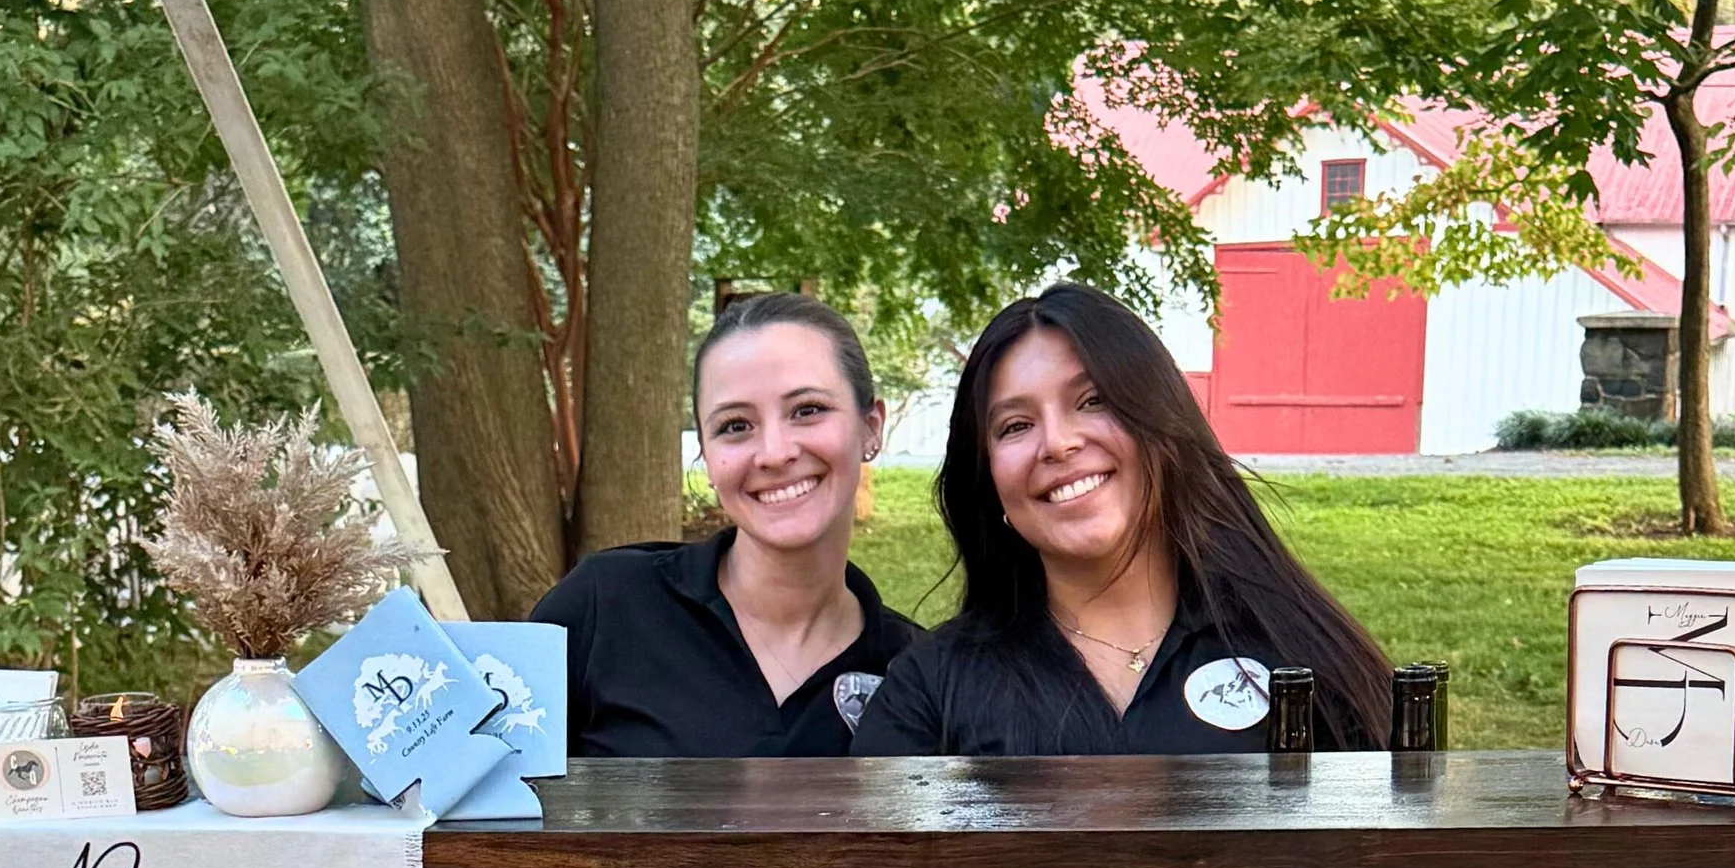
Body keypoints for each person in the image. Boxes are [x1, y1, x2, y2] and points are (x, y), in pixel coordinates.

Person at [853, 283, 1392, 758]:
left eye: (1092, 401)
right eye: (1015, 426)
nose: (1058, 443)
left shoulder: (1298, 652)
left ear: (1161, 424)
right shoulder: (930, 689)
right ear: (989, 479)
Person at [534, 292, 917, 757]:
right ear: (707, 456)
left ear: (871, 427)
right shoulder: (605, 606)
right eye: (735, 425)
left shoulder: (915, 671)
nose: (775, 453)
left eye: (808, 410)